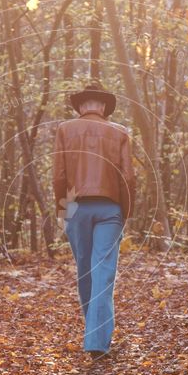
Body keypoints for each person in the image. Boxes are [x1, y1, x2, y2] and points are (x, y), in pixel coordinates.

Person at [53, 83, 136, 360]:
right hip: (110, 207)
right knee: (103, 273)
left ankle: (95, 335)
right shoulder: (120, 132)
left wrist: (63, 208)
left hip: (75, 207)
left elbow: (59, 177)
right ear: (102, 107)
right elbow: (128, 178)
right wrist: (125, 211)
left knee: (85, 272)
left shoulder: (65, 129)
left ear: (80, 106)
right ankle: (97, 339)